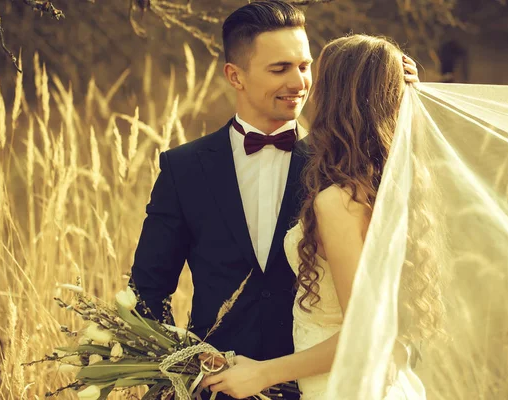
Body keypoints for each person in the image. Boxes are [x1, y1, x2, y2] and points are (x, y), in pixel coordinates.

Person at [130, 2, 418, 398]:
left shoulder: (342, 166)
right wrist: (177, 371)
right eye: (280, 69)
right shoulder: (184, 169)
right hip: (219, 388)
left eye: (304, 66)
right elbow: (148, 290)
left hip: (322, 384)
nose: (299, 81)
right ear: (236, 76)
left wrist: (399, 90)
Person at [201, 34, 438, 399]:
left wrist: (263, 373)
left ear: (337, 96)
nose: (304, 86)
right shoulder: (391, 186)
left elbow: (364, 334)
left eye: (316, 75)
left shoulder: (338, 201)